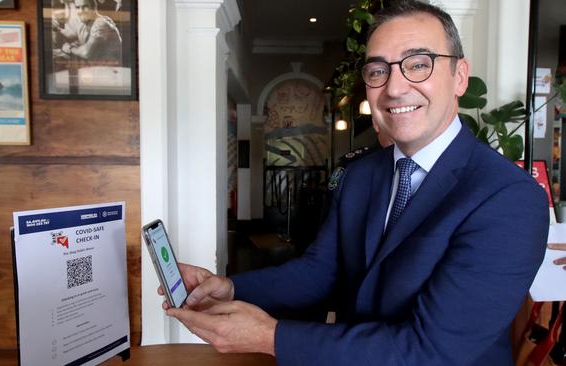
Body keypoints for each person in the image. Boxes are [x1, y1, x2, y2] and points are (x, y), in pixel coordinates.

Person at [161, 1, 550, 364]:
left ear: (459, 76)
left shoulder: (510, 199)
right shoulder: (362, 174)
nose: (394, 88)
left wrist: (271, 337)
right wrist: (229, 289)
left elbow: (431, 350)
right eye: (379, 70)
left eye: (418, 64)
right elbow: (320, 271)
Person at [56, 0, 122, 63]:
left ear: (94, 8)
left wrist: (70, 48)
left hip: (114, 70)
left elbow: (86, 53)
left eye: (85, 7)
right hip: (99, 70)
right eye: (78, 7)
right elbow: (83, 43)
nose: (81, 11)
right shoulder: (84, 25)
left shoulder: (101, 23)